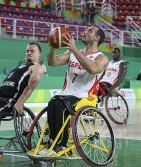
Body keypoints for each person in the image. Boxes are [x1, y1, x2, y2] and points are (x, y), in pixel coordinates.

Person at [41, 25, 108, 155]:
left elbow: (93, 69)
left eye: (89, 30)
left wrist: (74, 49)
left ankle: (60, 145)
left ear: (97, 38)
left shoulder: (101, 58)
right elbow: (52, 62)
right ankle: (52, 141)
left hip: (85, 97)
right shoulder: (72, 53)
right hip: (66, 93)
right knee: (52, 102)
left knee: (61, 105)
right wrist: (53, 47)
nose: (84, 31)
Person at [0, 42, 45, 149]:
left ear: (39, 54)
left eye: (32, 51)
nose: (29, 53)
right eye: (27, 51)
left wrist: (21, 101)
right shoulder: (22, 65)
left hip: (11, 99)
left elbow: (31, 86)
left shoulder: (37, 67)